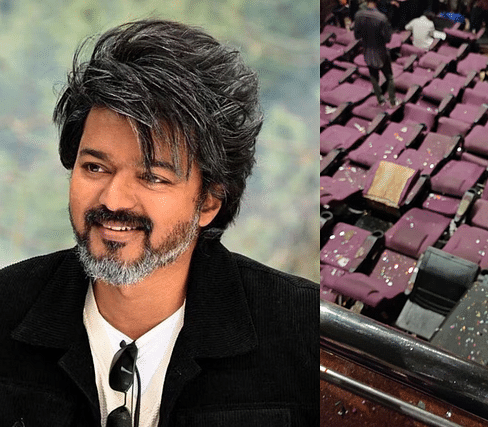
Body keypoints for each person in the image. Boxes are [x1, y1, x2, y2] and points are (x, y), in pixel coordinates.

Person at [0, 19, 318, 427]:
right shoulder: (8, 306)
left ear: (208, 201)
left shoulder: (302, 332)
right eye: (95, 167)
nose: (113, 199)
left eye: (152, 177)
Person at [354, 0, 399, 106]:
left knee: (373, 77)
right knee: (390, 77)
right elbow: (388, 39)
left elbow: (356, 36)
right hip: (380, 52)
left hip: (367, 51)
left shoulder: (358, 15)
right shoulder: (381, 18)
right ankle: (393, 101)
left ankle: (380, 100)